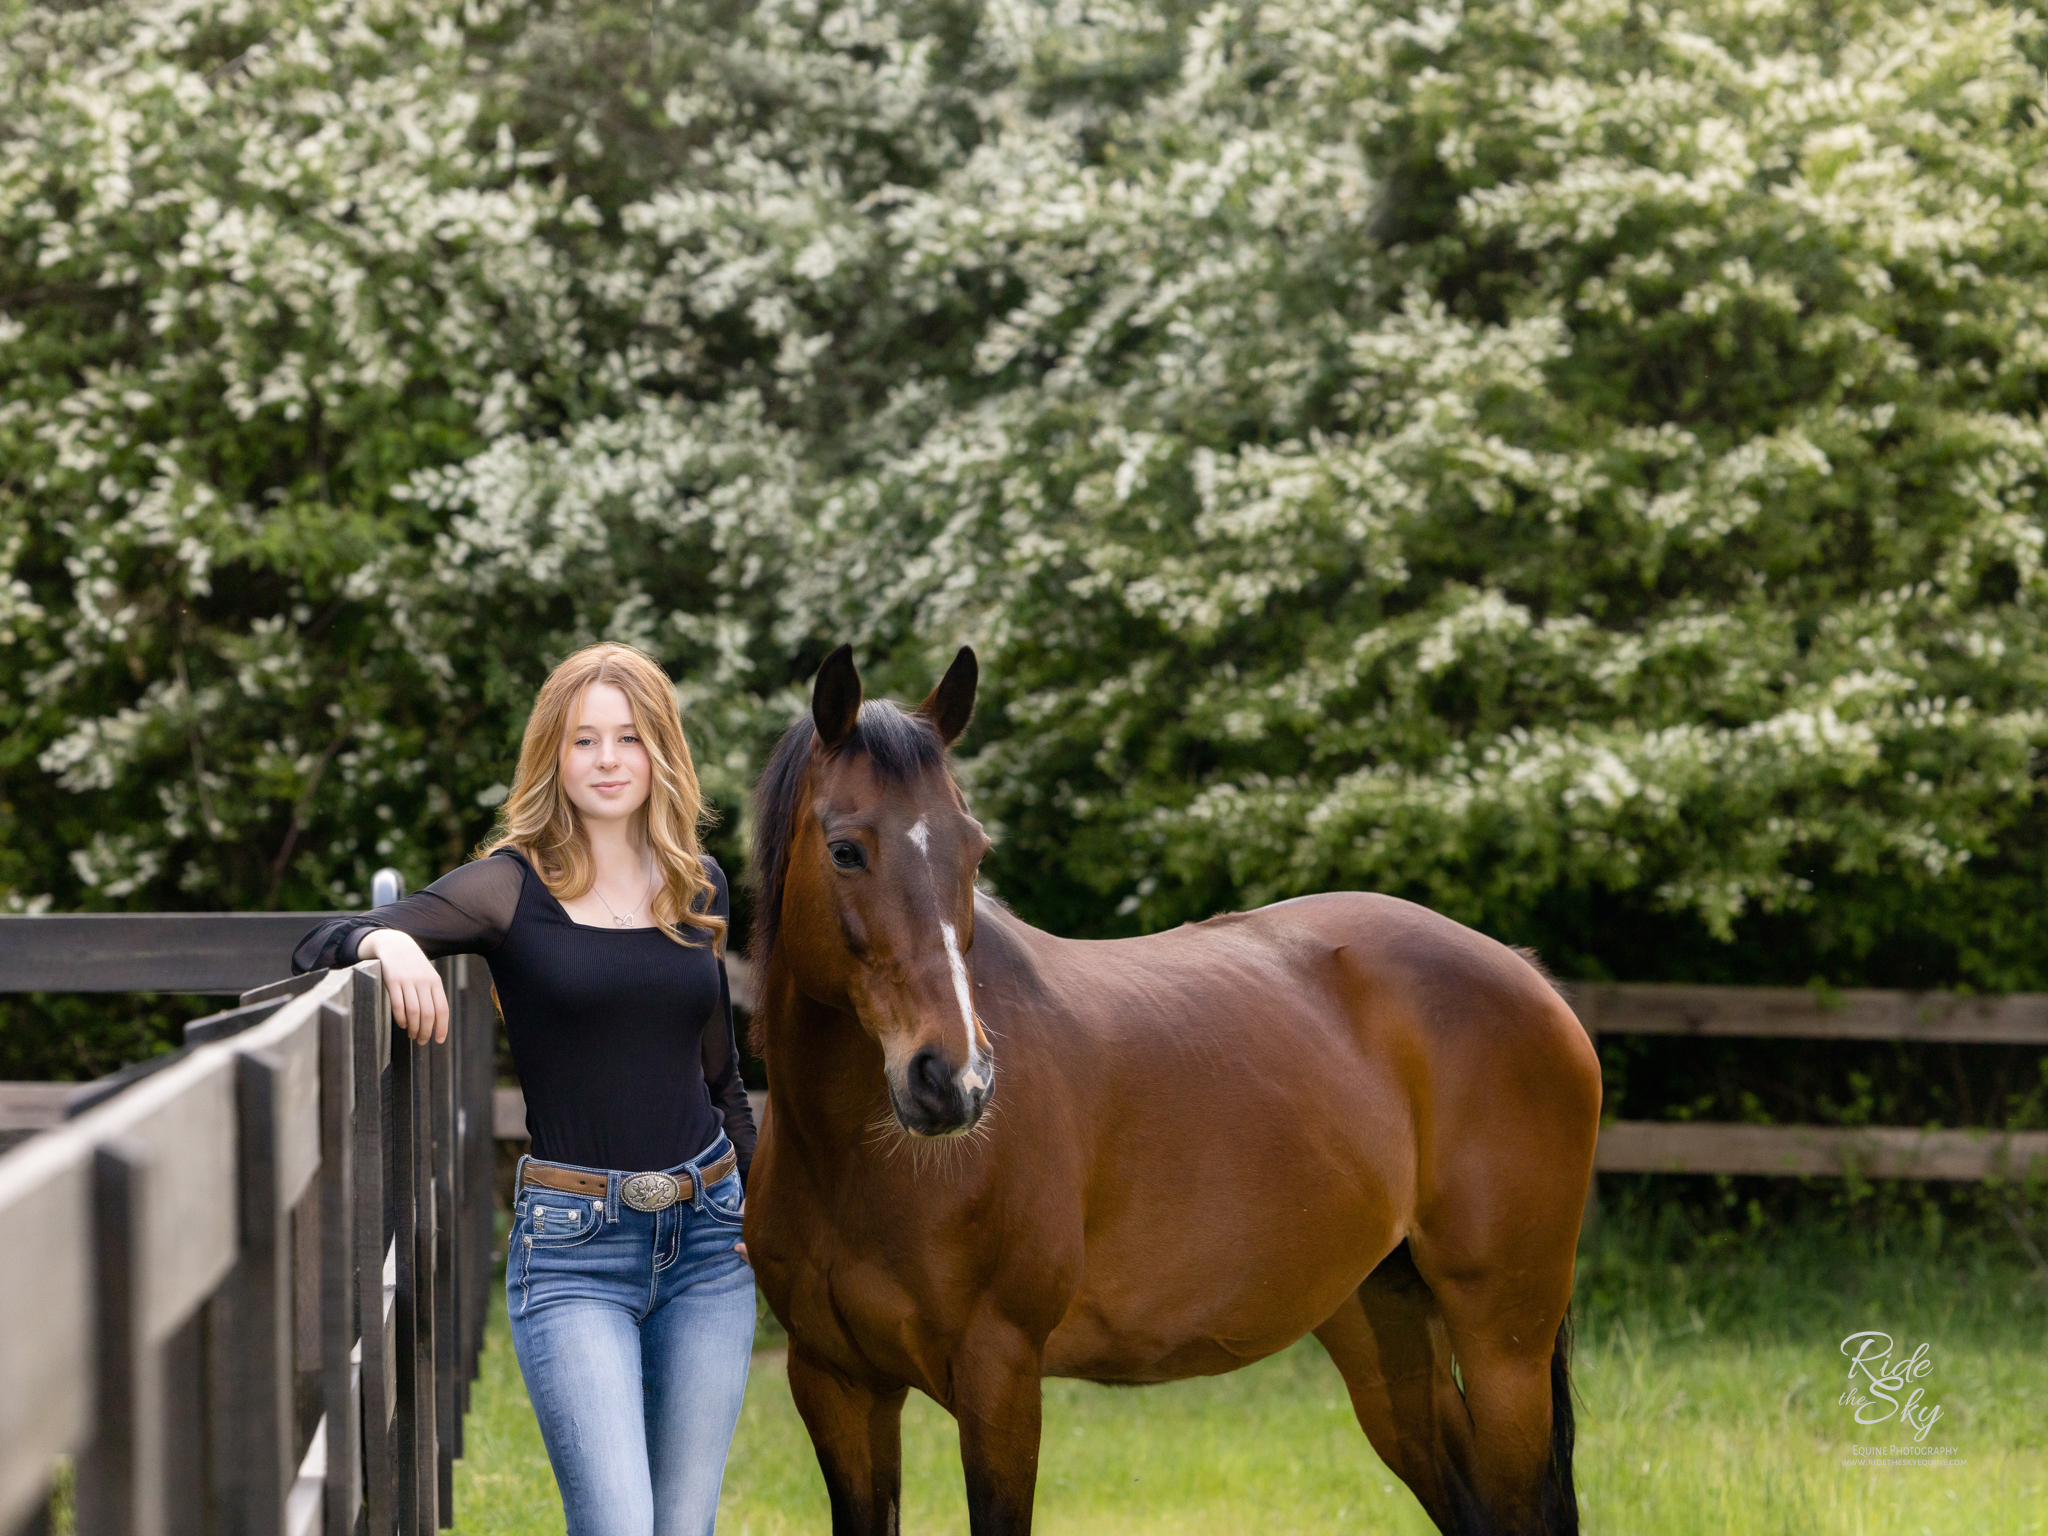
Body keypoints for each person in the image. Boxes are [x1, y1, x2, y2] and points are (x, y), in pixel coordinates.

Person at [295, 642, 756, 1536]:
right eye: (585, 741)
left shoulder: (698, 886)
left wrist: (760, 1198)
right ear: (554, 755)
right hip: (576, 1249)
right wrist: (385, 942)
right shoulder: (508, 888)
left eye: (629, 737)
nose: (610, 760)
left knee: (685, 1526)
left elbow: (720, 1073)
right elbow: (324, 937)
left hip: (709, 1241)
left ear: (662, 750)